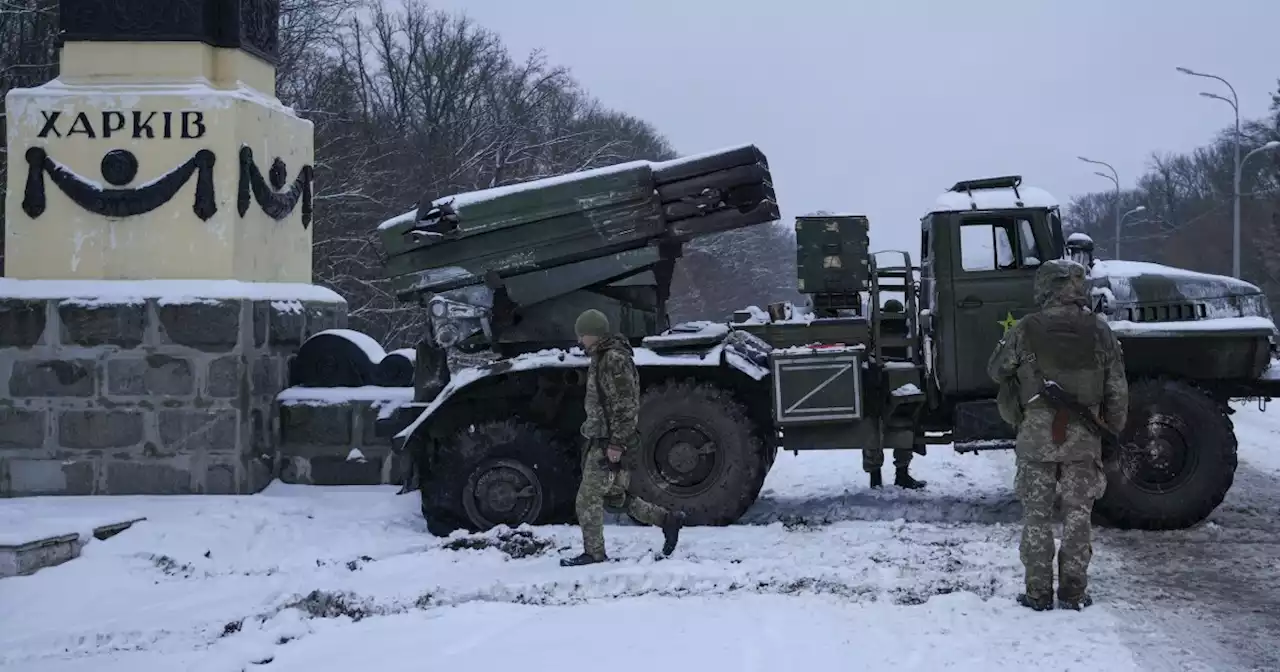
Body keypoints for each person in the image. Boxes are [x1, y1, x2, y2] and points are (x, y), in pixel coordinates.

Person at [986, 259, 1128, 611]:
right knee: (1079, 515)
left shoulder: (1026, 328)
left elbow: (996, 370)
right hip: (1084, 437)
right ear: (1079, 288)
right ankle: (1073, 593)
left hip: (1037, 436)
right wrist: (1112, 428)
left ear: (1045, 287)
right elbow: (1117, 388)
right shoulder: (1100, 330)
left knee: (1037, 517)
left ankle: (1037, 594)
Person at [560, 309, 686, 567]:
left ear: (592, 333)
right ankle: (667, 520)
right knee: (615, 498)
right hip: (603, 438)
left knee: (587, 498)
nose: (579, 340)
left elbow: (625, 405)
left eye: (582, 335)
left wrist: (616, 444)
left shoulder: (613, 359)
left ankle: (593, 553)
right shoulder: (602, 356)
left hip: (610, 441)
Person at [863, 298, 927, 490]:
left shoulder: (875, 332)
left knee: (873, 430)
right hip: (904, 383)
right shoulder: (908, 332)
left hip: (877, 386)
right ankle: (902, 474)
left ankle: (875, 478)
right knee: (906, 428)